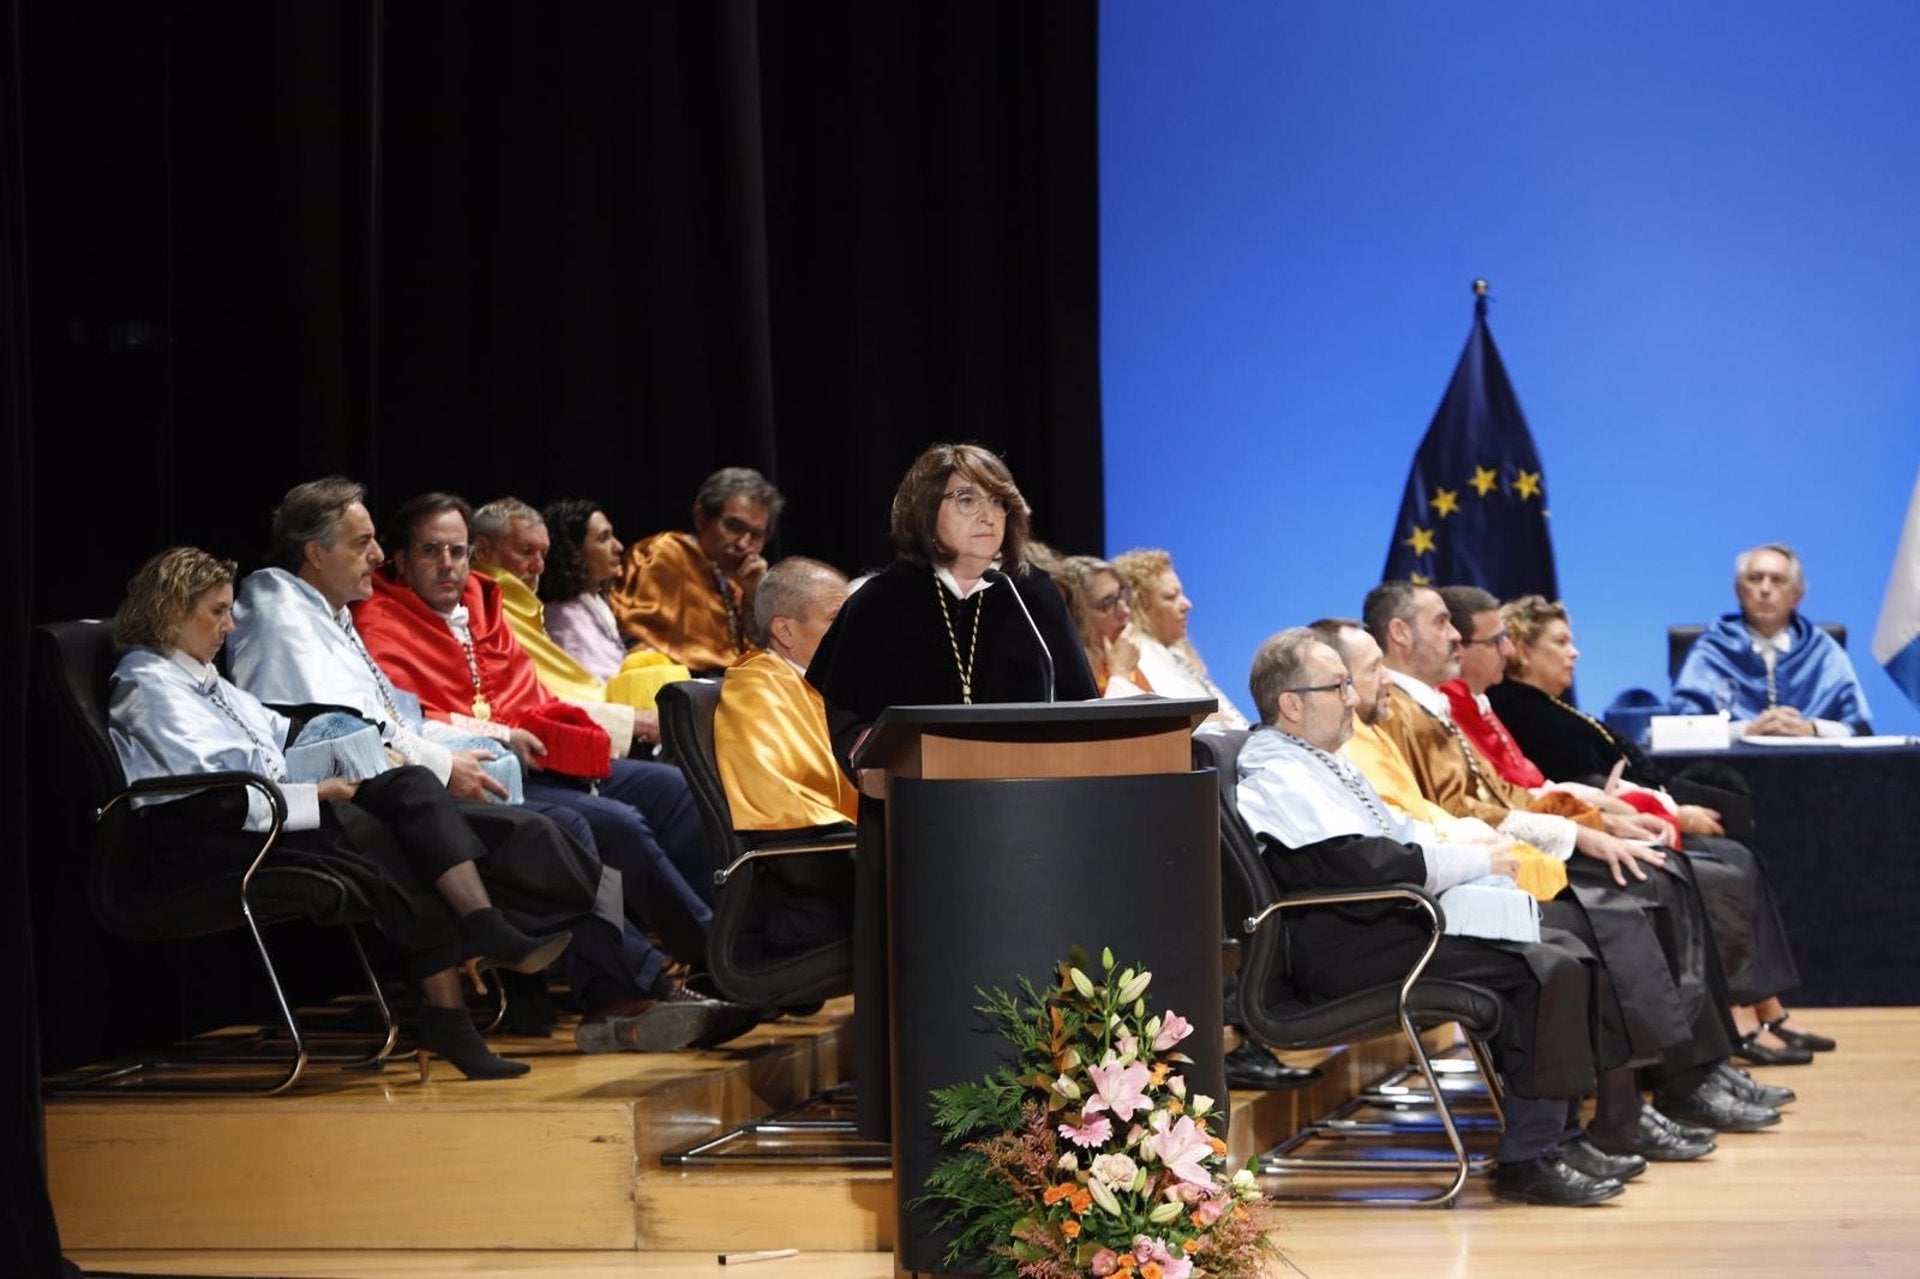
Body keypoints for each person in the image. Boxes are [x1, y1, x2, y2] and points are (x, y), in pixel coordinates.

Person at [227, 479, 733, 1051]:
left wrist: (465, 751)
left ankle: (702, 961)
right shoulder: (288, 616)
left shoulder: (343, 614)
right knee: (581, 828)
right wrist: (449, 761)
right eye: (365, 543)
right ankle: (640, 987)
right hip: (362, 810)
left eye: (457, 550)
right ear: (316, 554)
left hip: (435, 781)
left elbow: (403, 721)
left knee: (661, 794)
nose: (374, 556)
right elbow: (345, 736)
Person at [109, 548, 577, 1081]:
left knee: (411, 784)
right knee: (392, 846)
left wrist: (365, 740)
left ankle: (481, 931)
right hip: (212, 843)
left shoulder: (201, 678)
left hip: (268, 814)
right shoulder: (147, 686)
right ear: (172, 611)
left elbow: (278, 726)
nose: (230, 625)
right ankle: (453, 1007)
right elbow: (212, 799)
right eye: (217, 611)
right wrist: (320, 793)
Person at [1361, 581, 1782, 1137]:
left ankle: (1690, 1070)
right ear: (1399, 633)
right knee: (1630, 897)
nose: (1456, 638)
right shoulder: (1402, 712)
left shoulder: (1430, 705)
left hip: (1506, 847)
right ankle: (1643, 1097)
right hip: (1478, 867)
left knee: (1655, 879)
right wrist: (1582, 831)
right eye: (1443, 624)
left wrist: (1587, 817)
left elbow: (1501, 794)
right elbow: (1456, 809)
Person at [1236, 629, 1633, 1204]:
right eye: (1337, 685)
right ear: (1291, 705)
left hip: (1384, 926)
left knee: (1564, 946)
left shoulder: (1319, 760)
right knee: (1543, 968)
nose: (1351, 698)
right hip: (1347, 950)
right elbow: (1361, 866)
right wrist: (1470, 859)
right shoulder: (1277, 773)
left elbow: (1395, 836)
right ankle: (1532, 1156)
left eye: (1350, 683)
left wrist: (1472, 850)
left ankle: (1558, 1138)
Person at [806, 443, 1098, 1137]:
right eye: (966, 499)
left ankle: (1042, 1118)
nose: (987, 516)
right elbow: (847, 714)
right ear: (922, 508)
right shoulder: (879, 600)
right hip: (919, 834)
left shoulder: (1032, 599)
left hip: (1032, 834)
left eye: (998, 502)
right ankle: (922, 1118)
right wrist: (866, 762)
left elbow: (1081, 706)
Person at [351, 493, 720, 978]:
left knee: (676, 790)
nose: (447, 565)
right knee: (618, 823)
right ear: (400, 559)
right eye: (430, 551)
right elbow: (411, 719)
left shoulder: (484, 605)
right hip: (481, 770)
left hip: (544, 756)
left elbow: (533, 693)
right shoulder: (380, 620)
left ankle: (723, 944)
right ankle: (700, 958)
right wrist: (503, 731)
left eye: (457, 552)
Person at [1489, 591, 1835, 1066]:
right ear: (1524, 651)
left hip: (1630, 814)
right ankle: (1734, 1018)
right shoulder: (1519, 708)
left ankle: (1764, 1004)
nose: (1576, 653)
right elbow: (1574, 786)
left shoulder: (1551, 705)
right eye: (1561, 642)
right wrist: (1670, 814)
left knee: (1737, 852)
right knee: (1719, 872)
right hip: (1594, 829)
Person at [713, 556, 859, 955]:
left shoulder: (818, 685)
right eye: (836, 618)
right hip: (811, 899)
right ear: (785, 630)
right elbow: (783, 815)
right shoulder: (758, 690)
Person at [468, 496, 650, 748]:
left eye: (543, 553)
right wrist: (633, 721)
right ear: (483, 551)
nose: (539, 566)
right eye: (526, 552)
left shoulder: (524, 606)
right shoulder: (484, 610)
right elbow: (536, 700)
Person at [1671, 543, 1871, 736]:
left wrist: (1811, 729)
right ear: (1738, 590)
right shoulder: (1713, 649)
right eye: (1755, 578)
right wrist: (1744, 730)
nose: (1765, 589)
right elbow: (1681, 728)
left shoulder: (1822, 649)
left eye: (1777, 580)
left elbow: (1857, 728)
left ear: (1797, 596)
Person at [609, 467, 783, 675]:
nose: (744, 544)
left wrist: (754, 597)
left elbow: (759, 656)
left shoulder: (741, 583)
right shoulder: (664, 554)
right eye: (734, 527)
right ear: (701, 518)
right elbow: (633, 638)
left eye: (756, 535)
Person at [1110, 548, 1250, 727]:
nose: (1187, 604)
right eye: (1170, 597)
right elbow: (1196, 725)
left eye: (1181, 594)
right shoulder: (1140, 657)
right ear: (1138, 607)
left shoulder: (1175, 654)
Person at [539, 497, 631, 683]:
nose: (618, 547)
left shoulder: (592, 602)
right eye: (603, 538)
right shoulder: (565, 620)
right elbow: (594, 689)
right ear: (573, 551)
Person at [1058, 554, 1153, 698]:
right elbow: (1116, 720)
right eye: (1107, 604)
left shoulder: (1128, 656)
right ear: (1076, 616)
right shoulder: (1070, 678)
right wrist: (1121, 673)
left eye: (1122, 595)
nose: (1125, 611)